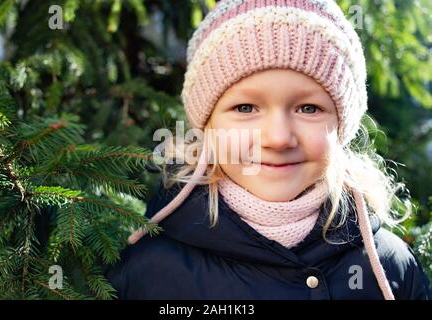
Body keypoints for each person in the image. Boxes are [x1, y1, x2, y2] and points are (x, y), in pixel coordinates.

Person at [106, 0, 431, 300]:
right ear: (206, 125)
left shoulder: (387, 268)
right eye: (246, 108)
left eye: (308, 109)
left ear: (341, 127)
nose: (277, 138)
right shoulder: (150, 271)